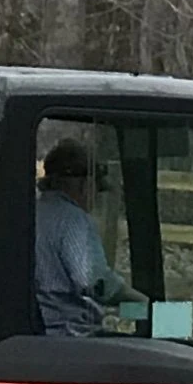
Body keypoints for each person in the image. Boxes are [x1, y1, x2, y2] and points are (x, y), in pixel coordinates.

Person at [34, 139, 136, 335]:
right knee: (157, 317)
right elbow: (95, 283)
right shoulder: (74, 220)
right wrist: (142, 302)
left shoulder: (32, 213)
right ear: (85, 184)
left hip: (40, 331)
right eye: (97, 188)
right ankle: (185, 332)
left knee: (136, 314)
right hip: (71, 336)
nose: (96, 197)